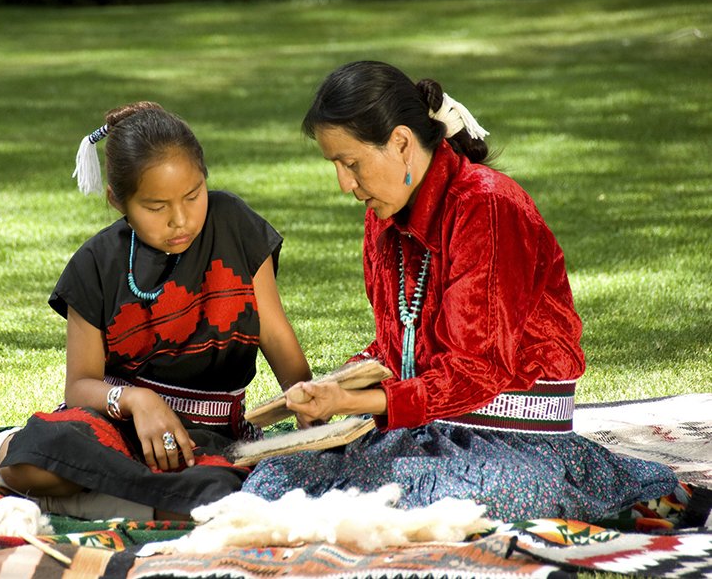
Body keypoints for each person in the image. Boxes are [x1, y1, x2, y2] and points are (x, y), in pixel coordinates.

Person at [241, 61, 679, 523]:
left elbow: (479, 368)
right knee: (277, 478)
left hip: (513, 439)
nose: (345, 184)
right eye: (337, 166)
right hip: (421, 427)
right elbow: (398, 346)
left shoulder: (488, 206)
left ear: (402, 143)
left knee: (435, 504)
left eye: (351, 164)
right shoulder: (383, 218)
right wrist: (337, 387)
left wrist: (354, 403)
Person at [0, 101, 311, 520]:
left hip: (206, 436)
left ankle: (61, 503)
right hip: (116, 423)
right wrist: (137, 400)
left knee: (218, 498)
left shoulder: (235, 225)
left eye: (193, 195)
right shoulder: (95, 264)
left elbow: (274, 334)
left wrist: (312, 409)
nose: (180, 219)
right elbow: (80, 385)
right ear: (117, 201)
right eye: (155, 207)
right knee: (42, 457)